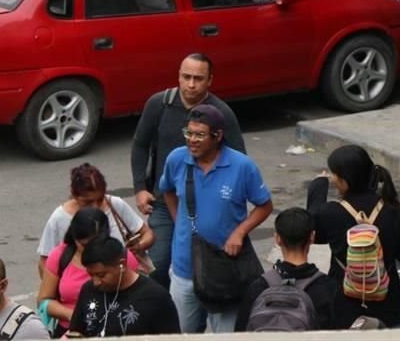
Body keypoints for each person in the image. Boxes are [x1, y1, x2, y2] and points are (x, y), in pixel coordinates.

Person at [130, 53, 244, 288]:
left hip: (205, 206)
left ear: (210, 80)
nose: (191, 84)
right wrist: (140, 188)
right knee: (156, 268)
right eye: (186, 77)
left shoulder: (221, 113)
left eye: (198, 78)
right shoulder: (159, 104)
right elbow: (140, 145)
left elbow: (238, 162)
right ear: (178, 77)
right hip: (163, 203)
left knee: (202, 270)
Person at [158, 104, 273, 333]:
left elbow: (265, 206)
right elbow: (167, 190)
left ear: (218, 136)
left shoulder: (242, 166)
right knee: (182, 334)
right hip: (184, 269)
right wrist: (179, 221)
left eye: (199, 135)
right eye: (188, 133)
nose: (192, 140)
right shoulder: (177, 159)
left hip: (224, 270)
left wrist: (239, 232)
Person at [307, 145, 400, 328]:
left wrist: (318, 186)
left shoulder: (331, 213)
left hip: (345, 311)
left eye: (334, 174)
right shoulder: (396, 211)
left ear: (344, 181)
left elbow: (311, 230)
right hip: (388, 307)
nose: (332, 178)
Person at [38, 208, 141, 336]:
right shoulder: (60, 256)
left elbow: (137, 295)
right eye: (84, 245)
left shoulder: (123, 258)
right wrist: (75, 317)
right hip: (71, 331)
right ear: (74, 237)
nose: (91, 249)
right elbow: (44, 300)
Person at [39, 163, 152, 278]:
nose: (96, 207)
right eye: (88, 202)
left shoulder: (115, 205)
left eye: (100, 200)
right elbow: (45, 262)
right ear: (74, 195)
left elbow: (147, 234)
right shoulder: (59, 218)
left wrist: (139, 246)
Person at [234, 207, 338, 331]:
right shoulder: (327, 287)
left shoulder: (259, 286)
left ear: (277, 239)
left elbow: (240, 332)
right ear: (312, 237)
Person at [68, 235, 180, 337]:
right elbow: (76, 331)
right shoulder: (88, 289)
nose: (96, 282)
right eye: (91, 275)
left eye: (101, 275)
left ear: (122, 265)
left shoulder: (156, 298)